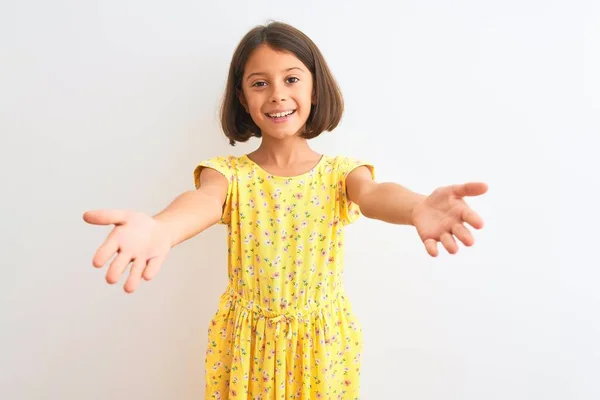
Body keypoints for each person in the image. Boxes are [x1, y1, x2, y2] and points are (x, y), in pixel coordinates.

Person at [83, 21, 487, 400]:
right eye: (260, 83)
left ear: (315, 88)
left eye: (291, 79)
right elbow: (203, 202)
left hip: (321, 343)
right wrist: (161, 228)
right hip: (245, 344)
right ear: (242, 97)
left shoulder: (340, 173)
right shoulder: (229, 175)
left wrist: (418, 206)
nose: (277, 94)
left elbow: (375, 193)